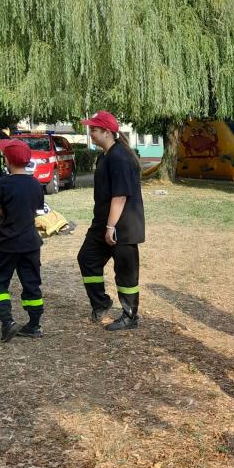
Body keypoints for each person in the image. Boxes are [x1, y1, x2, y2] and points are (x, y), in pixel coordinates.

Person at [77, 111, 145, 331]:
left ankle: (130, 316)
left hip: (121, 226)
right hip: (103, 223)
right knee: (87, 258)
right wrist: (104, 225)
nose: (91, 133)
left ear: (107, 132)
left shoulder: (120, 157)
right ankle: (101, 303)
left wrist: (110, 227)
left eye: (94, 129)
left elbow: (120, 196)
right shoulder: (105, 156)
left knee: (125, 271)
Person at [0, 138, 45, 341]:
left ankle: (7, 322)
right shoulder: (35, 184)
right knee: (31, 284)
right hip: (30, 243)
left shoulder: (2, 184)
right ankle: (34, 325)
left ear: (7, 160)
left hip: (7, 243)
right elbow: (36, 210)